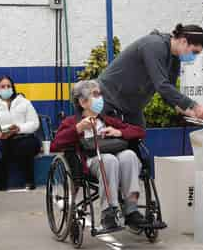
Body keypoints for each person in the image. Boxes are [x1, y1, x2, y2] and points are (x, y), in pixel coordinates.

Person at [50, 80, 147, 232]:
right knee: (108, 160)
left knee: (129, 155)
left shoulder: (108, 120)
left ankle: (131, 210)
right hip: (91, 162)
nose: (100, 98)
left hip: (117, 157)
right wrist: (78, 128)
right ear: (83, 102)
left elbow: (140, 132)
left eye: (100, 94)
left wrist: (119, 132)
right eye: (95, 95)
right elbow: (55, 145)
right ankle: (108, 212)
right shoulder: (71, 122)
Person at [98, 23, 203, 127]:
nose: (194, 57)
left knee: (137, 137)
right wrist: (195, 106)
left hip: (130, 108)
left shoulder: (175, 59)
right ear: (183, 41)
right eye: (194, 52)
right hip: (109, 99)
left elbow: (168, 93)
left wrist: (188, 112)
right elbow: (162, 85)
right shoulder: (154, 45)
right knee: (114, 144)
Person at [0, 76, 40, 190]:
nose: (6, 89)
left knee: (27, 145)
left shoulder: (24, 103)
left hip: (23, 137)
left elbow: (34, 123)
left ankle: (29, 181)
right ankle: (2, 183)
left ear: (13, 87)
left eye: (8, 86)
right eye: (3, 86)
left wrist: (19, 128)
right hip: (1, 138)